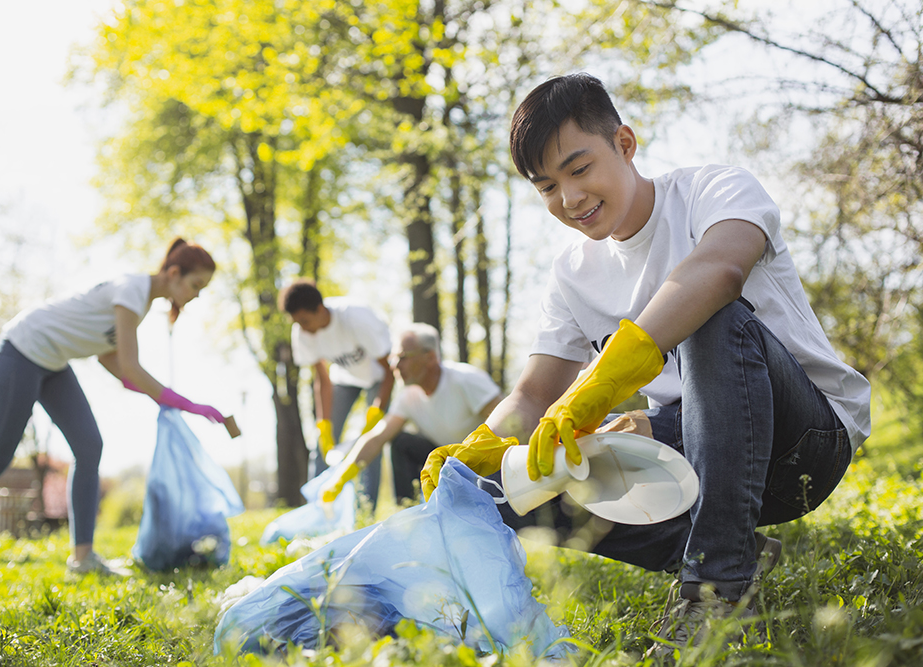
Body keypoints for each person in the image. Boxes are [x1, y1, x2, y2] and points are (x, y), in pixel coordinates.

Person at [420, 73, 871, 656]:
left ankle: (716, 593)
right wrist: (476, 451)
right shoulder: (572, 272)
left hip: (802, 440)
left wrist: (605, 381)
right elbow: (533, 396)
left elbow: (720, 273)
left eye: (579, 170)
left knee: (711, 314)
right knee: (509, 480)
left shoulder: (715, 190)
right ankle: (724, 549)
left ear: (625, 145)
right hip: (694, 453)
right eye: (547, 187)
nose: (570, 199)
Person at [0, 238, 225, 583]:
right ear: (173, 273)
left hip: (53, 363)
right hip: (22, 351)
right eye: (196, 285)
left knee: (89, 446)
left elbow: (119, 368)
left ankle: (83, 557)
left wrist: (164, 403)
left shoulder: (137, 303)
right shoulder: (132, 290)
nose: (196, 295)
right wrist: (189, 405)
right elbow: (131, 367)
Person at [320, 323, 502, 505]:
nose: (394, 366)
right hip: (446, 463)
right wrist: (340, 478)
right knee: (401, 442)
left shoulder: (466, 379)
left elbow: (508, 422)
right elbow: (377, 438)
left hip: (485, 463)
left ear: (430, 357)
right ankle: (408, 510)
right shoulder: (408, 397)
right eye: (393, 358)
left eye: (403, 357)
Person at [279, 279, 395, 507]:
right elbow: (322, 378)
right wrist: (324, 424)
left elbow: (389, 370)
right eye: (297, 323)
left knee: (371, 443)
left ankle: (366, 510)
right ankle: (316, 508)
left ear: (320, 310)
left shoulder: (356, 318)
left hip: (379, 377)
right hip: (344, 379)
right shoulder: (302, 332)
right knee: (321, 446)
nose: (302, 328)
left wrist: (377, 411)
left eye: (304, 321)